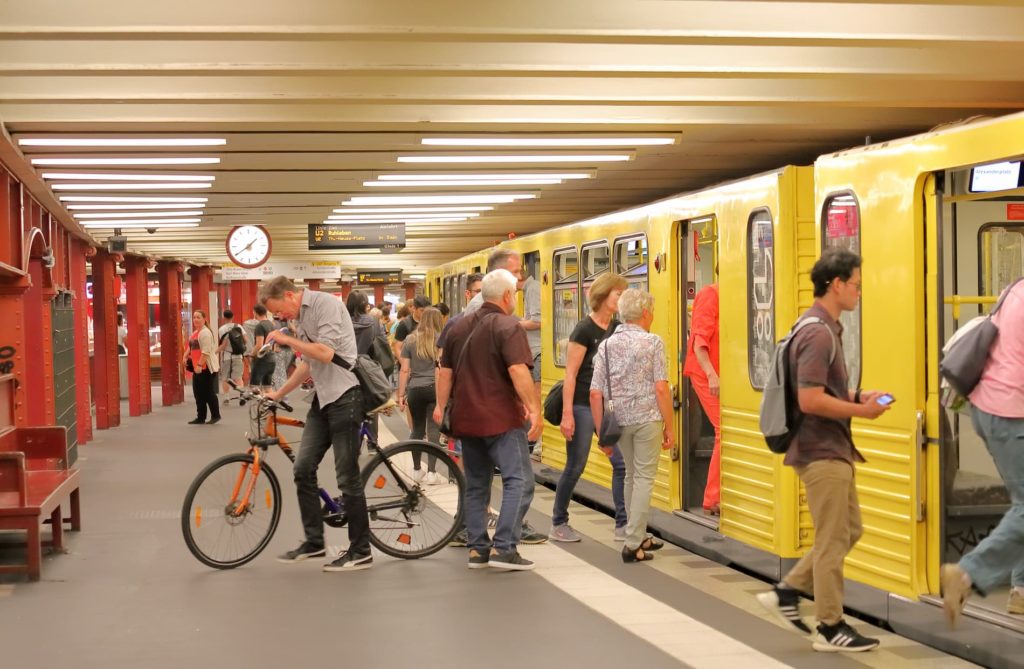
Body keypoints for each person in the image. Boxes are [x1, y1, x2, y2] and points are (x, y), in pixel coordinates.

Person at [756, 248, 890, 652]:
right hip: (820, 450)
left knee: (849, 530)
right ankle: (830, 627)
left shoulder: (819, 327)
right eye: (857, 285)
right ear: (837, 284)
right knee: (832, 540)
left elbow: (819, 390)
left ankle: (789, 590)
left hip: (830, 448)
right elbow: (811, 400)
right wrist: (861, 412)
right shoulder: (817, 333)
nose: (859, 293)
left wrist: (861, 394)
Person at [260, 276, 371, 572]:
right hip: (323, 399)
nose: (279, 317)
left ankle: (361, 551)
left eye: (279, 310)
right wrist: (279, 393)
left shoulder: (326, 306)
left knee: (347, 477)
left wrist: (287, 339)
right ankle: (314, 541)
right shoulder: (303, 315)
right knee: (302, 468)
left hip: (346, 395)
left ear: (289, 295)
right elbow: (310, 363)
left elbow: (326, 353)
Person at [433, 269, 542, 571]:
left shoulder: (458, 326)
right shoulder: (508, 327)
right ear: (507, 295)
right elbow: (519, 371)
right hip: (500, 419)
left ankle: (477, 550)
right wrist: (533, 409)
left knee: (477, 484)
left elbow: (444, 372)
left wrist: (442, 407)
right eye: (516, 293)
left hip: (466, 421)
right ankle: (504, 548)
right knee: (518, 480)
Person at [942, 278, 1024, 624]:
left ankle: (1021, 589)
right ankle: (967, 573)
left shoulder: (1017, 288)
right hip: (1011, 412)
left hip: (989, 408)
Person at [590, 289, 674, 563]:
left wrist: (602, 431)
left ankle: (636, 533)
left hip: (618, 420)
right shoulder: (653, 342)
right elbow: (661, 388)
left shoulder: (606, 346)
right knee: (644, 478)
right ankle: (633, 542)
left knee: (630, 476)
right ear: (646, 313)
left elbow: (595, 393)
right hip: (647, 419)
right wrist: (669, 427)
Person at [551, 272, 629, 543]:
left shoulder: (618, 327)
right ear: (604, 295)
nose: (622, 297)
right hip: (583, 404)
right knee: (576, 465)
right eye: (618, 293)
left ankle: (623, 524)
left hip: (606, 407)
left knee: (621, 464)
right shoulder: (583, 330)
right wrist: (567, 414)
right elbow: (570, 374)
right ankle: (559, 522)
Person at [683, 283, 722, 515]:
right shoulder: (710, 294)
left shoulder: (736, 294)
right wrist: (711, 374)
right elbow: (699, 341)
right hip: (705, 372)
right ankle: (712, 498)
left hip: (722, 372)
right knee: (723, 430)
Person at [398, 307, 445, 483]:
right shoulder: (440, 339)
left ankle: (417, 470)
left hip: (415, 389)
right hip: (434, 388)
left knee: (416, 429)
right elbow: (440, 368)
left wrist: (401, 395)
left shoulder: (410, 340)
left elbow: (404, 370)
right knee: (433, 430)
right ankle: (432, 473)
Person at [182, 309, 221, 425]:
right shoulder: (195, 333)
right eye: (194, 317)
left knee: (208, 393)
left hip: (206, 368)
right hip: (197, 367)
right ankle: (201, 417)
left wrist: (199, 364)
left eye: (198, 317)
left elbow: (206, 352)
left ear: (204, 319)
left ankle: (215, 415)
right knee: (198, 393)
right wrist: (185, 356)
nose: (195, 319)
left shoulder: (205, 333)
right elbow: (190, 347)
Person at [520, 269, 543, 450]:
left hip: (538, 351)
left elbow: (537, 321)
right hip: (533, 351)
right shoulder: (529, 290)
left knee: (536, 396)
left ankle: (538, 440)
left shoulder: (533, 289)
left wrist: (513, 323)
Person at [217, 309, 247, 398]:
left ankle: (226, 397)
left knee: (225, 377)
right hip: (238, 356)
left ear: (224, 317)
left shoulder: (222, 329)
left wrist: (215, 352)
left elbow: (223, 345)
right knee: (238, 377)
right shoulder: (239, 326)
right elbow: (245, 340)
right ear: (232, 317)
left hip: (226, 356)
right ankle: (242, 396)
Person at [249, 304, 276, 391]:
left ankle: (257, 404)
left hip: (262, 359)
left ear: (255, 313)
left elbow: (259, 345)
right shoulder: (271, 324)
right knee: (267, 386)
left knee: (254, 386)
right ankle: (270, 404)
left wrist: (252, 354)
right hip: (272, 357)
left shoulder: (260, 326)